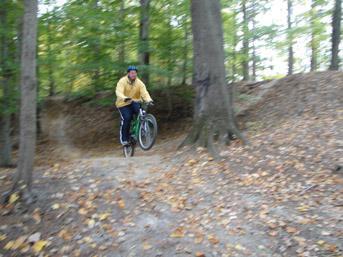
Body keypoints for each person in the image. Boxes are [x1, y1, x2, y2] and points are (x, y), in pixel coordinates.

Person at [115, 65, 153, 145]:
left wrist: (148, 100)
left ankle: (139, 131)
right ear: (128, 73)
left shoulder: (139, 83)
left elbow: (144, 92)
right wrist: (124, 97)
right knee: (127, 118)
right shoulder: (122, 81)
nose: (134, 75)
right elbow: (118, 92)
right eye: (132, 73)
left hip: (134, 102)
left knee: (142, 113)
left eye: (135, 73)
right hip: (123, 103)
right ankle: (124, 139)